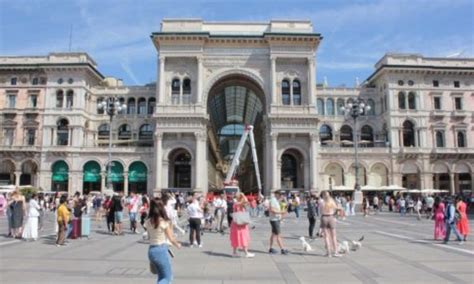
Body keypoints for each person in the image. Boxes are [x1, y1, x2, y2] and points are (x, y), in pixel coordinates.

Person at [146, 198, 181, 284]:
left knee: (161, 276)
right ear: (161, 207)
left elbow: (149, 237)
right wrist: (177, 244)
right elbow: (171, 238)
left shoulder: (148, 221)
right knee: (167, 278)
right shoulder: (163, 222)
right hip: (160, 250)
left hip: (151, 250)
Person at [229, 193, 254, 258]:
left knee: (235, 237)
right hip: (241, 223)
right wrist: (243, 195)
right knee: (243, 237)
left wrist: (241, 196)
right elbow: (246, 201)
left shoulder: (236, 203)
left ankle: (234, 253)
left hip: (235, 223)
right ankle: (246, 253)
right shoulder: (239, 204)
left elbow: (246, 202)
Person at [320, 191, 341, 257]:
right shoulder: (332, 202)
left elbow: (320, 211)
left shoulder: (321, 202)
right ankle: (336, 252)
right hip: (331, 217)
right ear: (329, 195)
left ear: (323, 196)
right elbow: (337, 209)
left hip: (324, 217)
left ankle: (328, 253)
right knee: (334, 236)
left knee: (326, 237)